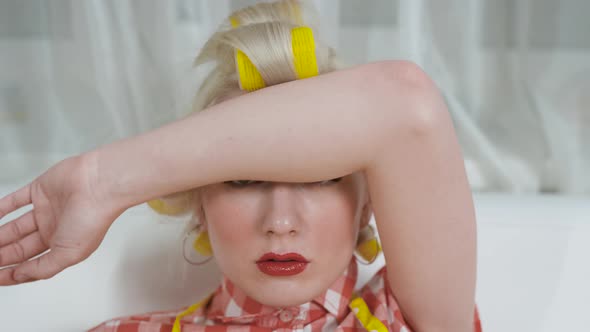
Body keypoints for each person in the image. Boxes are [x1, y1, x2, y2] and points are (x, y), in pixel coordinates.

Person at [0, 1, 482, 331]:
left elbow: (405, 103)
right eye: (243, 180)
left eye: (319, 179)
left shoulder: (412, 321)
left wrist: (104, 181)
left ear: (365, 206)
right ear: (199, 205)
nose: (280, 223)